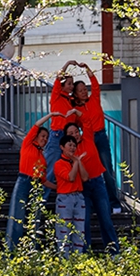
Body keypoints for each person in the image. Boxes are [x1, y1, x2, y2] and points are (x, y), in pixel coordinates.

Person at [5, 112, 60, 251]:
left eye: (47, 138)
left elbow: (44, 181)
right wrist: (51, 115)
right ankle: (10, 252)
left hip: (35, 185)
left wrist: (59, 187)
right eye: (42, 136)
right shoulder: (28, 144)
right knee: (17, 217)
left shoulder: (42, 158)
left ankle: (32, 250)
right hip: (24, 181)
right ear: (36, 136)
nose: (45, 139)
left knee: (34, 218)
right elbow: (37, 125)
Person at [72, 64, 121, 213]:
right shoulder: (76, 109)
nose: (84, 92)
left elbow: (94, 83)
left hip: (101, 135)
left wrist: (86, 67)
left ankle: (114, 203)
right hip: (88, 138)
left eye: (84, 89)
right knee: (89, 170)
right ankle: (91, 203)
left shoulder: (94, 99)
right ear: (75, 94)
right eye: (80, 91)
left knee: (107, 168)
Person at [64, 122, 119, 253]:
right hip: (82, 187)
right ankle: (84, 252)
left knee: (106, 218)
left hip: (98, 182)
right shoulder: (69, 151)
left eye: (76, 131)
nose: (75, 135)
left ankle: (114, 252)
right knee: (84, 221)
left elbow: (86, 120)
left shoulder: (87, 137)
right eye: (70, 134)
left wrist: (75, 110)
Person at [44, 61, 80, 195]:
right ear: (63, 85)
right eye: (69, 84)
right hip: (57, 136)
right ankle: (36, 209)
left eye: (72, 83)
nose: (71, 86)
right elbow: (58, 78)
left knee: (68, 169)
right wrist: (68, 64)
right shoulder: (56, 96)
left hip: (68, 138)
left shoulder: (70, 102)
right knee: (49, 172)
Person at [54, 133, 88, 256]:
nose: (72, 148)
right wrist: (76, 162)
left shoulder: (76, 161)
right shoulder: (59, 164)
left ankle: (77, 258)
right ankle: (64, 260)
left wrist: (78, 162)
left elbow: (85, 177)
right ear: (62, 147)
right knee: (64, 230)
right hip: (65, 198)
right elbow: (71, 177)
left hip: (79, 197)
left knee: (79, 230)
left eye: (74, 145)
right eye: (69, 145)